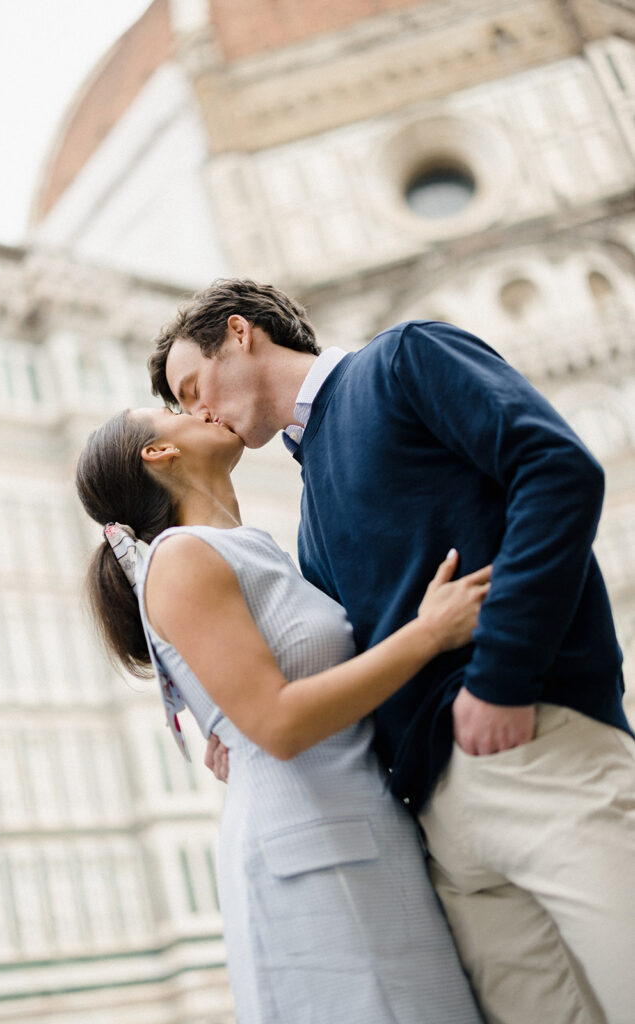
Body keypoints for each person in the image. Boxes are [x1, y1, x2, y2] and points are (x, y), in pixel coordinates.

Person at [148, 278, 635, 1024]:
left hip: (536, 748)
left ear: (240, 333)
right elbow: (338, 662)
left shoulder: (403, 360)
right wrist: (231, 723)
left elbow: (558, 470)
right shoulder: (311, 514)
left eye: (193, 388)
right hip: (440, 828)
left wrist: (503, 679)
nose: (198, 413)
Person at [76, 406, 491, 1024]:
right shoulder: (182, 556)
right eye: (173, 409)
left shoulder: (243, 547)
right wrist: (428, 634)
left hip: (359, 832)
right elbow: (278, 724)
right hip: (313, 855)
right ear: (158, 453)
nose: (201, 408)